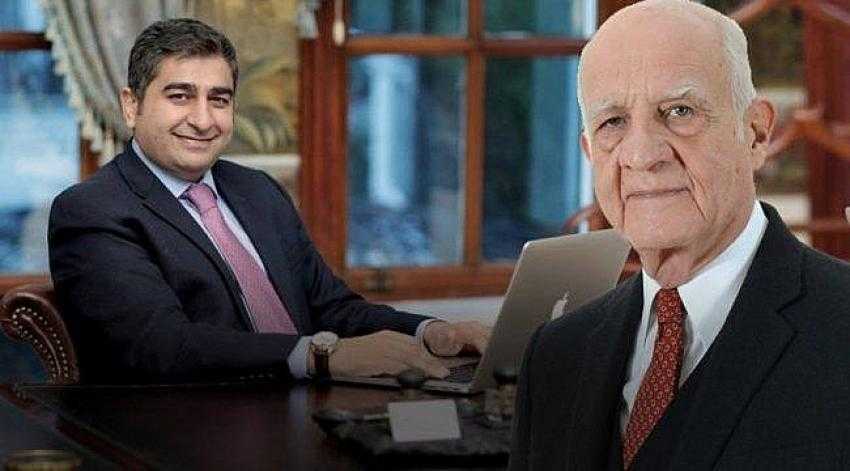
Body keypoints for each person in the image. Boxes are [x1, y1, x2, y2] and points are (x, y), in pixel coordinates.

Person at [48, 18, 489, 384]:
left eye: (219, 99)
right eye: (180, 96)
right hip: (190, 430)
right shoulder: (93, 210)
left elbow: (332, 307)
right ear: (131, 106)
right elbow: (161, 347)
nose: (203, 119)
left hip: (312, 409)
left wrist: (431, 332)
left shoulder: (257, 191)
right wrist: (322, 357)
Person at [509, 1, 850, 469]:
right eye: (613, 122)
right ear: (590, 152)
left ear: (756, 134)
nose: (642, 155)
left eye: (679, 111)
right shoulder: (555, 354)